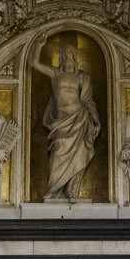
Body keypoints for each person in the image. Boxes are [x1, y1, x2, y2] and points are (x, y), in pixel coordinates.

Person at [42, 41, 100, 201]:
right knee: (58, 150)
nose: (68, 59)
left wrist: (96, 121)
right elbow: (33, 63)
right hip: (61, 122)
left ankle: (71, 191)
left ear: (75, 59)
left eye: (70, 56)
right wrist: (38, 44)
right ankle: (54, 189)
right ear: (61, 59)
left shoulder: (82, 77)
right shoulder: (55, 74)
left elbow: (88, 101)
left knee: (80, 154)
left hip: (80, 118)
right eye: (64, 56)